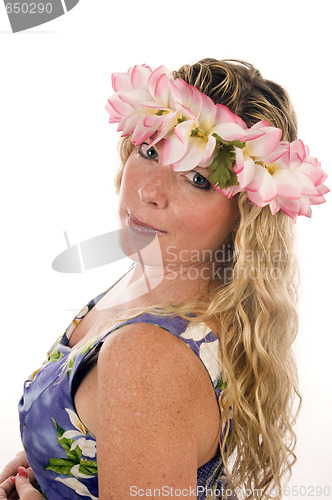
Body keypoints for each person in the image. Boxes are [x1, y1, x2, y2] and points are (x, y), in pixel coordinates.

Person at [0, 59, 328, 500]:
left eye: (198, 179)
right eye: (151, 151)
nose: (150, 191)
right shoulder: (155, 273)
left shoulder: (148, 356)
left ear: (245, 216)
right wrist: (51, 455)